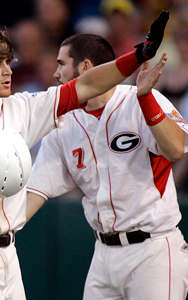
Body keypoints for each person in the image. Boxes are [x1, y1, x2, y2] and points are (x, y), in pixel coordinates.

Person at [0, 11, 168, 300]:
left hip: (8, 254)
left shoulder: (20, 107)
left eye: (8, 62)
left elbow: (86, 85)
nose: (8, 71)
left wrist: (138, 55)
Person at [26, 32, 188, 299]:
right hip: (102, 254)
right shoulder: (64, 122)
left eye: (61, 63)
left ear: (85, 67)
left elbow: (174, 150)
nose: (56, 73)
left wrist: (146, 97)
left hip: (153, 250)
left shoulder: (139, 100)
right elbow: (36, 191)